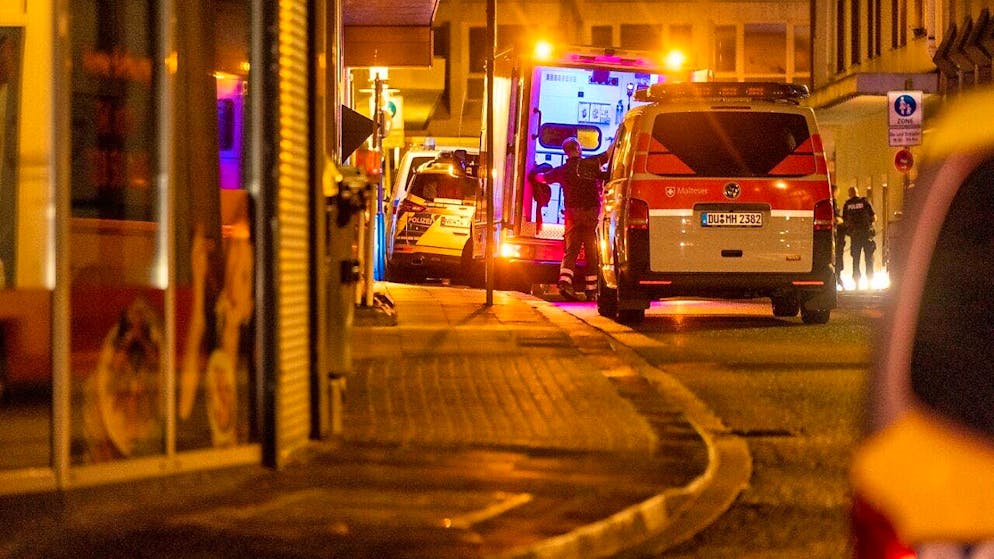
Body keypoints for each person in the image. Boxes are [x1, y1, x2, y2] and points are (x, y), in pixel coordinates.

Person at [534, 137, 612, 301]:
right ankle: (591, 291)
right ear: (578, 148)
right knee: (592, 251)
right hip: (591, 214)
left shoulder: (562, 170)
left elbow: (542, 178)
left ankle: (564, 282)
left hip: (572, 215)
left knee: (571, 251)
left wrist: (534, 173)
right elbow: (609, 153)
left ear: (566, 152)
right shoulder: (592, 163)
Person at [842, 185, 876, 288]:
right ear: (857, 192)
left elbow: (845, 221)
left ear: (849, 194)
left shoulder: (847, 204)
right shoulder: (865, 201)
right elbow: (873, 217)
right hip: (866, 234)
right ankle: (869, 282)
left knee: (856, 259)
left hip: (855, 235)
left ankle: (857, 282)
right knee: (869, 258)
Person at [832, 184, 846, 287]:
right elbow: (835, 219)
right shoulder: (832, 203)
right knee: (837, 257)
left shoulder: (833, 203)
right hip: (835, 236)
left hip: (836, 235)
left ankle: (837, 278)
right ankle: (837, 278)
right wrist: (841, 220)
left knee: (837, 257)